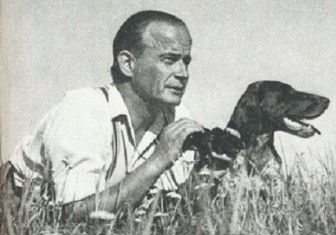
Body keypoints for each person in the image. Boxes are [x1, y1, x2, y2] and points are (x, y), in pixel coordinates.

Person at [5, 10, 204, 219]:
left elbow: (166, 211)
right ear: (128, 64)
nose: (183, 73)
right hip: (13, 216)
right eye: (169, 60)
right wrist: (160, 158)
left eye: (186, 61)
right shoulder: (84, 109)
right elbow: (73, 215)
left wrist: (206, 177)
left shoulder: (176, 116)